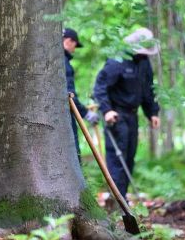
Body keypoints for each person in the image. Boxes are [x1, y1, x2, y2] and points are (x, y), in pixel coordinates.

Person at [92, 28, 161, 199]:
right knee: (118, 159)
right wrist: (107, 110)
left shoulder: (144, 63)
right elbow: (100, 88)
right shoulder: (117, 61)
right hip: (116, 116)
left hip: (133, 115)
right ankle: (119, 202)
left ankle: (122, 198)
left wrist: (152, 112)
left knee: (129, 158)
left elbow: (147, 89)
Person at [62, 28, 99, 159]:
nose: (74, 49)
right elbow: (69, 95)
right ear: (68, 41)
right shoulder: (63, 63)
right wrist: (86, 113)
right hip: (64, 115)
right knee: (73, 152)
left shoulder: (56, 60)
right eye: (75, 45)